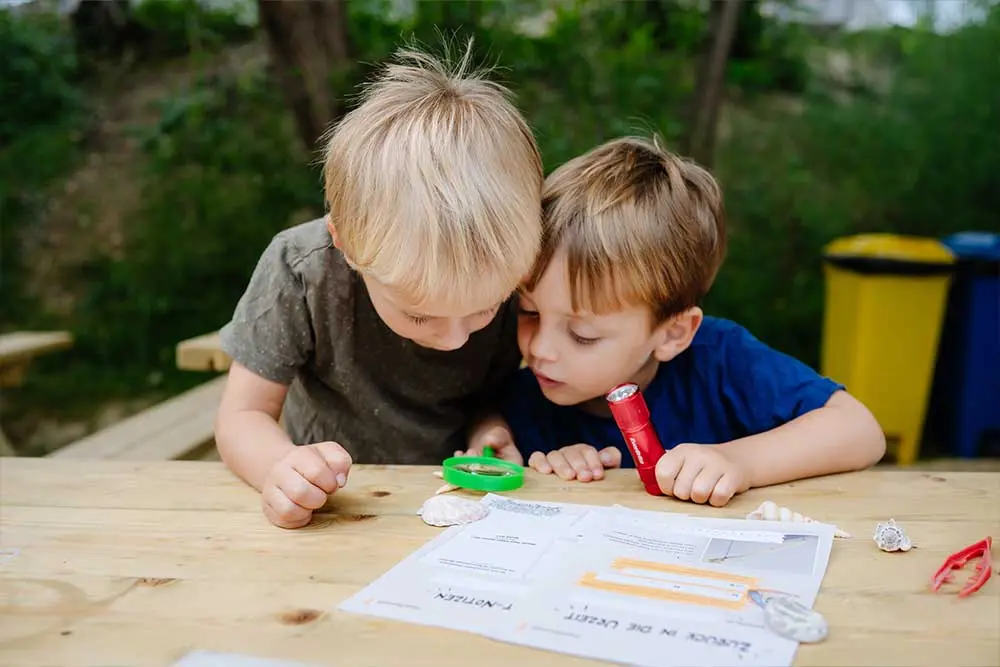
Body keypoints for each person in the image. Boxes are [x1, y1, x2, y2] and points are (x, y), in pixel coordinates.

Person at [213, 40, 544, 529]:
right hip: (339, 510)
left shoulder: (507, 270)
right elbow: (241, 416)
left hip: (453, 501)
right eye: (419, 314)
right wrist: (280, 469)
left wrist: (488, 428)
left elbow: (488, 393)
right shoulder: (303, 271)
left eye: (485, 310)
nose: (455, 338)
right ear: (346, 245)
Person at [488, 136, 886, 507]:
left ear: (673, 333)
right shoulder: (530, 395)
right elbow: (488, 429)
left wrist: (736, 461)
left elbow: (859, 431)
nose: (539, 347)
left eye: (582, 334)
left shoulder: (721, 361)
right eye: (529, 312)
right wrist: (520, 452)